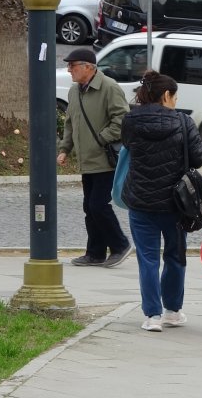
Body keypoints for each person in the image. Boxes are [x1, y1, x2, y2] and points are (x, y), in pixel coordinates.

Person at [121, 70, 202, 332]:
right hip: (176, 204)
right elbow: (198, 158)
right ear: (166, 95)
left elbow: (127, 146)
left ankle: (152, 316)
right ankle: (172, 310)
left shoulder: (130, 121)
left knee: (147, 258)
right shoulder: (184, 122)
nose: (176, 100)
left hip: (140, 201)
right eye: (175, 95)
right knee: (175, 256)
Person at [57, 48, 133, 268]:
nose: (69, 70)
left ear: (88, 67)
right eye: (69, 66)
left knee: (98, 205)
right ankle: (95, 253)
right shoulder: (74, 91)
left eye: (73, 66)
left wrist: (102, 138)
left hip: (105, 158)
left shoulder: (109, 87)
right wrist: (65, 149)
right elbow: (70, 122)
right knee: (89, 207)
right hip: (86, 159)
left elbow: (122, 119)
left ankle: (120, 245)